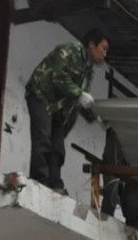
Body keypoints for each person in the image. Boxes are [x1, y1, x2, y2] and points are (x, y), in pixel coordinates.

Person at [25, 29, 110, 192]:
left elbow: (82, 102)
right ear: (92, 45)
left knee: (57, 147)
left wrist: (97, 117)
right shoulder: (70, 50)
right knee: (43, 138)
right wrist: (79, 94)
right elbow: (58, 76)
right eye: (103, 48)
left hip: (59, 109)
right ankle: (40, 180)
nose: (105, 54)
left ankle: (55, 184)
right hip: (41, 96)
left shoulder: (88, 72)